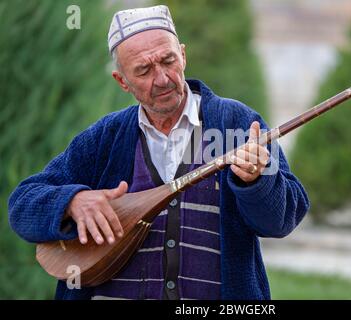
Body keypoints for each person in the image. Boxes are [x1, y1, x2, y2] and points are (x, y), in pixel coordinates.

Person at [8, 5, 309, 300]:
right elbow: (22, 204)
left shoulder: (237, 126)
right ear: (122, 81)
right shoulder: (105, 138)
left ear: (183, 55)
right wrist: (71, 202)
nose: (162, 78)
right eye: (144, 70)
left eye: (168, 60)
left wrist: (256, 181)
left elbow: (281, 220)